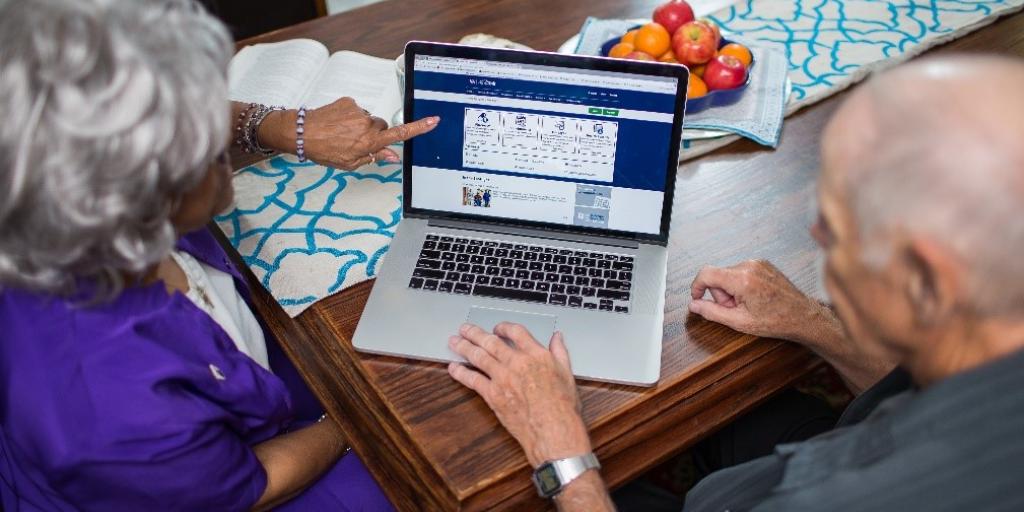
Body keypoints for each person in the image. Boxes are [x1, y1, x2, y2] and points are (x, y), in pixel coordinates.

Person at [446, 54, 1024, 511]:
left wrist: (563, 455)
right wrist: (811, 322)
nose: (816, 234)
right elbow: (912, 387)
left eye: (835, 224)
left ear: (925, 277)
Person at [0, 0, 437, 510]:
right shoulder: (112, 414)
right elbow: (253, 485)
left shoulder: (74, 205)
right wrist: (357, 414)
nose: (221, 140)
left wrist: (286, 128)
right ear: (138, 193)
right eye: (206, 148)